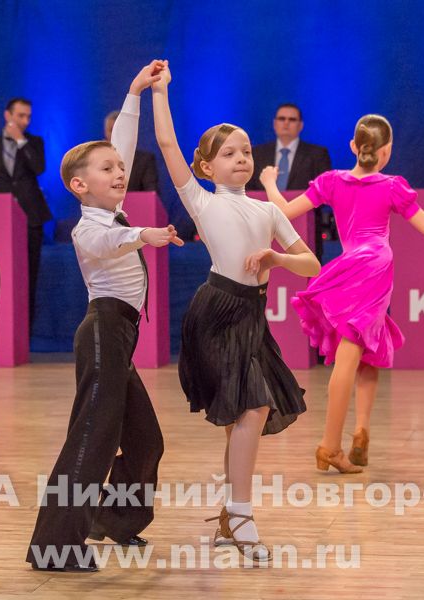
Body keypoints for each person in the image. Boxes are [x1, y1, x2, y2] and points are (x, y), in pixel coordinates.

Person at [153, 62, 320, 562]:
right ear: (207, 167)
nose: (241, 159)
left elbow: (311, 264)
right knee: (253, 409)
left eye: (246, 151)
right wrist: (160, 91)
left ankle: (232, 514)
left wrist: (276, 258)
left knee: (242, 417)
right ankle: (243, 515)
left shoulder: (268, 210)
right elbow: (166, 144)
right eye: (228, 153)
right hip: (216, 312)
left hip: (252, 316)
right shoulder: (202, 202)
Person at [261, 115, 424, 472]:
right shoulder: (393, 186)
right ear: (387, 151)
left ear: (354, 146)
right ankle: (331, 446)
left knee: (364, 349)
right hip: (376, 269)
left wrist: (270, 182)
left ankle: (360, 431)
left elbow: (284, 211)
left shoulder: (331, 181)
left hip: (353, 265)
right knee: (353, 354)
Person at [27, 61, 173, 573]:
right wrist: (144, 234)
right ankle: (55, 547)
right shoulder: (88, 227)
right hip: (103, 333)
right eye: (106, 169)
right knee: (91, 440)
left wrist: (134, 92)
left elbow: (123, 144)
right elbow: (108, 243)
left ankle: (114, 519)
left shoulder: (109, 210)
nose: (119, 173)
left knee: (145, 440)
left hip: (118, 338)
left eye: (119, 168)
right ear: (78, 185)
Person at [0, 98, 51, 330]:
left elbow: (39, 168)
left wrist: (21, 141)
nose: (25, 121)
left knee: (29, 275)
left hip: (31, 216)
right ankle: (0, 328)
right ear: (7, 115)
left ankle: (25, 330)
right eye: (20, 116)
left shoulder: (34, 142)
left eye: (28, 117)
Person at [246, 103, 332, 257]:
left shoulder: (317, 154)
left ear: (300, 125)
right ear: (274, 124)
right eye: (282, 119)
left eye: (292, 119)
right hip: (264, 230)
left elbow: (325, 193)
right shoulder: (257, 153)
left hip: (304, 231)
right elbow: (248, 190)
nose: (286, 123)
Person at [104, 109, 159, 192]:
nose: (116, 135)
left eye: (119, 130)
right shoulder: (97, 160)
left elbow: (151, 193)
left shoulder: (145, 160)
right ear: (105, 133)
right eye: (112, 130)